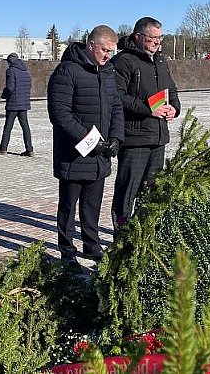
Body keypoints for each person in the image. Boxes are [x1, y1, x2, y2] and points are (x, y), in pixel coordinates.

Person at [47, 25, 124, 270]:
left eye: (111, 51)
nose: (108, 56)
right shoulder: (67, 71)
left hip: (100, 155)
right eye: (104, 50)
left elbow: (116, 107)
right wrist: (90, 141)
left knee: (93, 203)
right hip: (74, 154)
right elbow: (60, 114)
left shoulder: (108, 71)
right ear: (91, 45)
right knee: (68, 205)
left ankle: (91, 245)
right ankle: (67, 250)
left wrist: (115, 138)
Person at [110, 17, 181, 228]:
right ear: (139, 37)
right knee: (127, 192)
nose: (158, 42)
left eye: (160, 38)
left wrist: (174, 108)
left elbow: (172, 90)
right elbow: (117, 96)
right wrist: (148, 109)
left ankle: (144, 235)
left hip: (158, 137)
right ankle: (121, 237)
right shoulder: (124, 61)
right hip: (135, 139)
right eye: (153, 38)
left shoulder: (160, 60)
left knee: (150, 192)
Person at [0, 53, 34, 156]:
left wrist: (4, 95)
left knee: (8, 126)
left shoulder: (11, 71)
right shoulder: (25, 71)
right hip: (24, 103)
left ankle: (3, 148)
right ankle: (29, 149)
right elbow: (29, 85)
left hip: (13, 103)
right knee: (25, 126)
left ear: (10, 62)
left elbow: (10, 88)